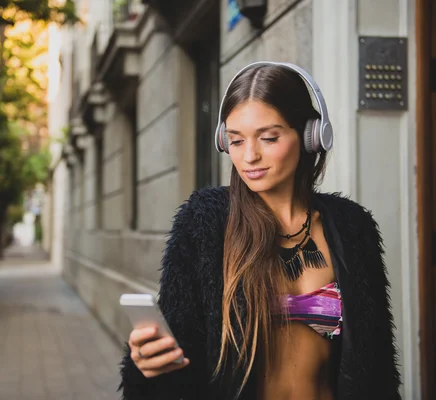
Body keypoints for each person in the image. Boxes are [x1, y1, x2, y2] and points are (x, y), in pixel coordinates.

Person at [118, 62, 401, 400]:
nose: (250, 156)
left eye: (268, 138)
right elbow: (182, 358)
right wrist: (147, 363)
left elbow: (378, 367)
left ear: (311, 136)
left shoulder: (353, 228)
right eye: (236, 141)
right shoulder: (205, 224)